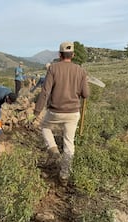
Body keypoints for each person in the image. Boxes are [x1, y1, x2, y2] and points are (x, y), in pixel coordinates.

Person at [33, 41, 90, 186]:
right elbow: (86, 94)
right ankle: (64, 175)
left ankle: (53, 149)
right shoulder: (81, 71)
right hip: (73, 113)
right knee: (69, 143)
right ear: (73, 55)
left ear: (59, 54)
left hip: (55, 111)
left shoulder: (53, 68)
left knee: (45, 127)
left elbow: (45, 91)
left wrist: (37, 110)